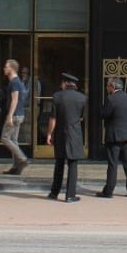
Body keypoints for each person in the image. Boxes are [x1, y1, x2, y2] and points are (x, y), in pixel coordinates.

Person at [46, 71, 87, 203]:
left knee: (59, 164)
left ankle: (54, 192)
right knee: (73, 165)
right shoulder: (82, 98)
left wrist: (49, 134)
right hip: (74, 134)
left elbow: (53, 118)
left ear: (65, 83)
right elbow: (82, 117)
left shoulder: (57, 96)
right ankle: (70, 195)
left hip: (60, 134)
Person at [98, 77, 127, 198]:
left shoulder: (110, 99)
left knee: (112, 164)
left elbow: (104, 114)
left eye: (108, 86)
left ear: (113, 87)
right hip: (126, 135)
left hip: (114, 136)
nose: (106, 88)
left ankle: (109, 191)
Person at [0, 58, 30, 175]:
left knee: (5, 138)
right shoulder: (18, 82)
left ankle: (22, 159)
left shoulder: (15, 82)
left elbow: (15, 99)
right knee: (13, 140)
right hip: (19, 114)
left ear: (11, 69)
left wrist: (10, 116)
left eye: (6, 67)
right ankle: (16, 167)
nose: (4, 68)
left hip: (15, 115)